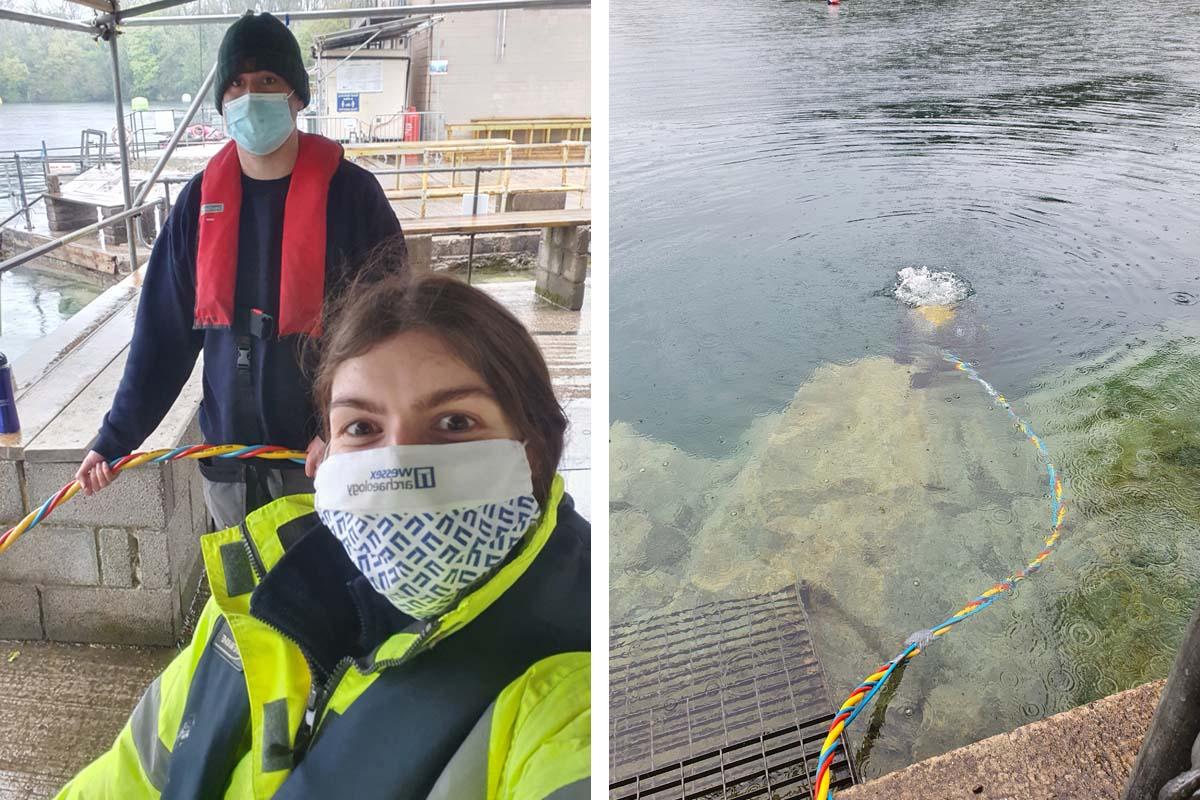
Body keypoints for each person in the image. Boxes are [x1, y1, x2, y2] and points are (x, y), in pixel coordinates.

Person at [57, 271, 591, 799]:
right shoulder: (247, 601)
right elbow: (128, 776)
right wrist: (115, 438)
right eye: (361, 428)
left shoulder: (571, 691)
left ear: (532, 452)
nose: (399, 464)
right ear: (326, 454)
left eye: (455, 423)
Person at [74, 11, 404, 530]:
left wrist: (346, 427)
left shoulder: (354, 196)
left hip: (328, 461)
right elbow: (161, 337)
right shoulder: (196, 204)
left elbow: (392, 329)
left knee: (331, 582)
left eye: (268, 80)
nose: (251, 95)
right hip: (230, 468)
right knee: (239, 580)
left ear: (296, 96)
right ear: (223, 102)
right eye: (237, 84)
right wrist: (115, 438)